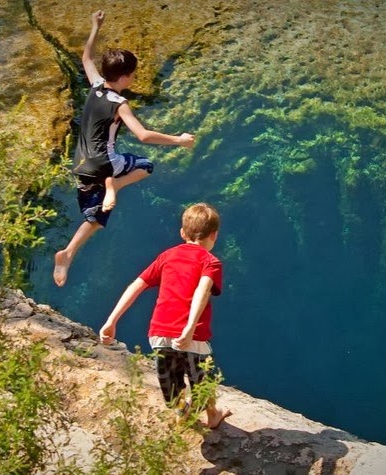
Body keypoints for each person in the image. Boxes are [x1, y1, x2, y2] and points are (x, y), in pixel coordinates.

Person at [53, 10, 196, 287]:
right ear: (125, 77)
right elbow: (142, 135)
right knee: (145, 166)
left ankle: (68, 253)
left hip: (81, 165)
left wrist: (95, 26)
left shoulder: (95, 86)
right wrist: (179, 140)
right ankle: (114, 186)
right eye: (131, 76)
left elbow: (85, 58)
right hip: (106, 163)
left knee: (95, 216)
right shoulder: (120, 104)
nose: (132, 79)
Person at [99, 203, 232, 429]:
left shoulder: (167, 256)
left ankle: (183, 412)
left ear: (182, 233)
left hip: (159, 333)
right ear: (214, 235)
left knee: (171, 384)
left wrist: (111, 321)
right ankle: (212, 415)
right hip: (193, 337)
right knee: (203, 380)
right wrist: (189, 328)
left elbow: (137, 285)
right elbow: (203, 290)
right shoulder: (211, 262)